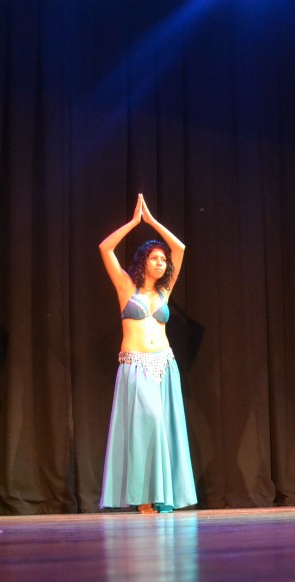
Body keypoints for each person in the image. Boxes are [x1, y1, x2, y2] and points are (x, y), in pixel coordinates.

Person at [98, 194, 197, 514]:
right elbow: (105, 249)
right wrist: (133, 222)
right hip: (136, 365)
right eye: (155, 258)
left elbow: (180, 249)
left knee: (164, 427)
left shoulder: (165, 291)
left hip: (165, 365)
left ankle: (161, 496)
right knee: (148, 425)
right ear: (143, 261)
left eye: (162, 260)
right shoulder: (126, 287)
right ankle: (142, 498)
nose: (161, 263)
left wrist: (153, 222)